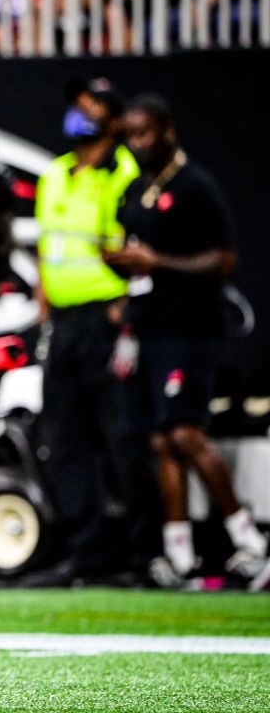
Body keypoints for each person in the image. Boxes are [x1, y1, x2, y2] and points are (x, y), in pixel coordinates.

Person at [105, 94, 270, 590]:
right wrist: (126, 284)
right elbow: (138, 259)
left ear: (167, 131)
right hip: (149, 329)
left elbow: (223, 262)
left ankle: (252, 546)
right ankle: (180, 558)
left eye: (144, 133)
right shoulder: (134, 191)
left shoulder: (196, 186)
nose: (136, 144)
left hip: (191, 328)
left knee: (185, 434)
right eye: (129, 135)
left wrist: (158, 264)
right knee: (160, 439)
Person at [33, 77, 146, 580]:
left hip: (108, 317)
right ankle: (87, 553)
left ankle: (142, 554)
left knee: (122, 436)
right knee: (66, 438)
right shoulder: (54, 174)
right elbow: (44, 246)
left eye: (95, 104)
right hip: (63, 321)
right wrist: (44, 302)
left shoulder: (126, 173)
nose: (82, 111)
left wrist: (125, 309)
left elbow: (137, 244)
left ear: (115, 119)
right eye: (78, 101)